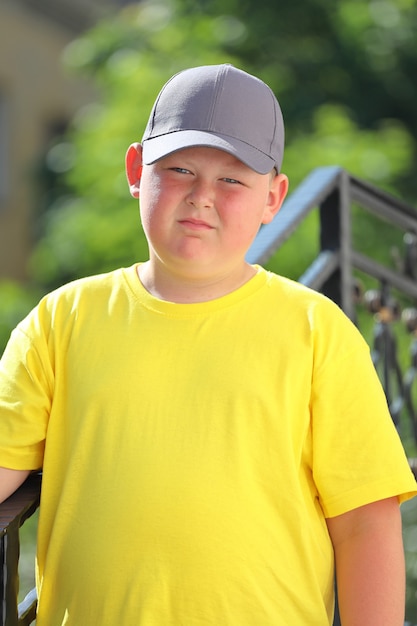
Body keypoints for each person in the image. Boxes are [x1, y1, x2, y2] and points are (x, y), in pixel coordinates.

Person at [0, 63, 416, 626]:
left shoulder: (317, 331)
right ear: (135, 169)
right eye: (180, 169)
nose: (202, 196)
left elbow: (366, 521)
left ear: (274, 198)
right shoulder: (62, 319)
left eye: (233, 180)